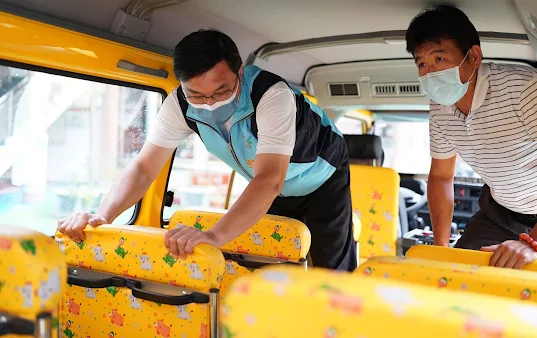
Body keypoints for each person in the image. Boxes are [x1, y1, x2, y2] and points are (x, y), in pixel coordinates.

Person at [58, 29, 357, 271]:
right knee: (271, 265)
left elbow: (268, 179)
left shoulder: (271, 96)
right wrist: (103, 216)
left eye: (222, 90)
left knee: (330, 271)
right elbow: (144, 168)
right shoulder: (179, 104)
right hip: (273, 188)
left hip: (321, 179)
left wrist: (214, 236)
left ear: (240, 72)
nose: (210, 103)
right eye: (197, 95)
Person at [406, 5, 537, 268]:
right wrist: (441, 250)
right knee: (456, 275)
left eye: (439, 59)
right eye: (422, 63)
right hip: (501, 213)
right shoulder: (439, 108)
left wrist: (535, 243)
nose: (430, 73)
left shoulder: (526, 88)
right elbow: (441, 177)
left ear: (474, 56)